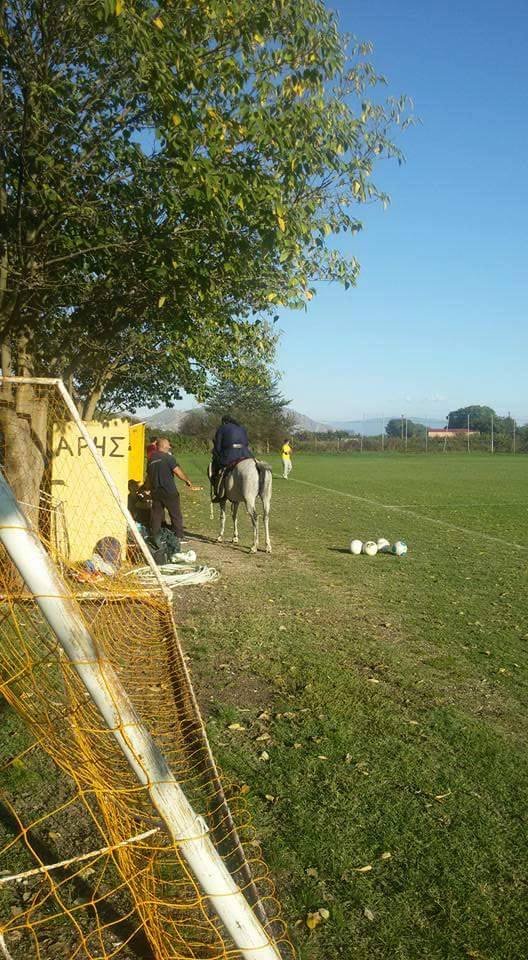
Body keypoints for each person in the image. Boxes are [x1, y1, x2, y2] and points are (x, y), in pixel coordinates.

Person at [146, 438, 200, 545]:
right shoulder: (168, 458)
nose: (169, 447)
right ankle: (179, 536)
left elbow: (148, 478)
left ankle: (155, 536)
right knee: (175, 514)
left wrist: (146, 488)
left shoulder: (151, 459)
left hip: (156, 492)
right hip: (169, 491)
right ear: (164, 446)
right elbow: (177, 471)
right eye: (168, 445)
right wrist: (187, 480)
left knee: (156, 515)